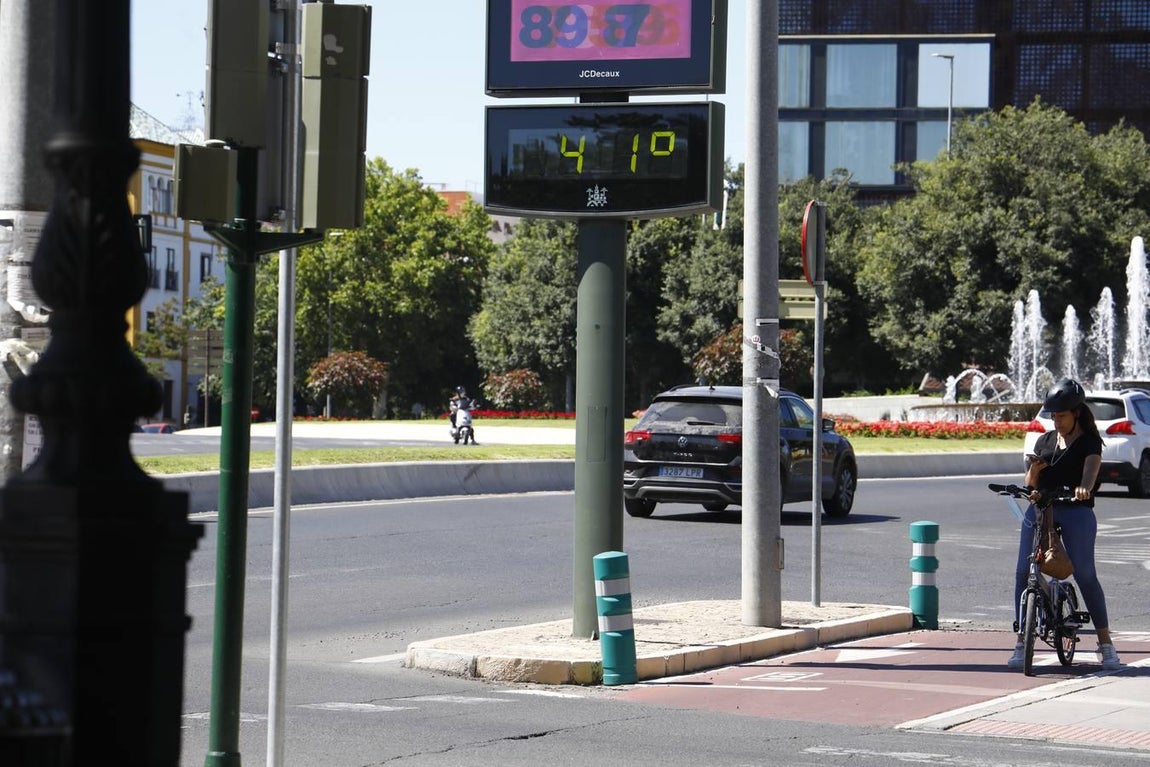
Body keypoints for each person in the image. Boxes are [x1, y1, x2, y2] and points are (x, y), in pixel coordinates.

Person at [1009, 378, 1121, 669]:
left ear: (1077, 414)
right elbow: (1031, 483)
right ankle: (1022, 641)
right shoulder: (1044, 441)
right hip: (1042, 511)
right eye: (1054, 416)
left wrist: (1084, 487)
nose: (1056, 421)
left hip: (1076, 510)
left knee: (1085, 574)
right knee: (1024, 571)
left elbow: (1091, 471)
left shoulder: (1089, 442)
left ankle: (1106, 643)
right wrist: (1034, 470)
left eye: (1062, 416)